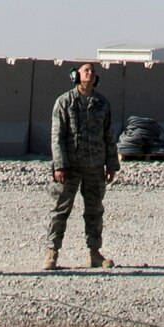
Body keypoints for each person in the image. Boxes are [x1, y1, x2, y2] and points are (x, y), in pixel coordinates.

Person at [43, 61, 119, 270]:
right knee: (60, 210)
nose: (90, 74)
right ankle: (52, 252)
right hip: (70, 166)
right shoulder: (64, 102)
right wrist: (59, 165)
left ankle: (94, 253)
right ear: (77, 75)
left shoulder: (102, 104)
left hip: (95, 166)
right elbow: (56, 136)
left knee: (94, 210)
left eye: (93, 72)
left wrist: (111, 164)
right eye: (86, 71)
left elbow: (108, 135)